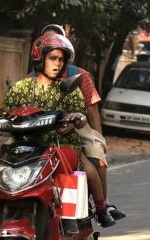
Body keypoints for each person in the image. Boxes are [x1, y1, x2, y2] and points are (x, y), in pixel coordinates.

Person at [0, 33, 115, 230]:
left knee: (91, 171)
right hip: (26, 143)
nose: (57, 63)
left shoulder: (69, 87)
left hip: (60, 144)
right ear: (40, 59)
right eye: (53, 58)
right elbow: (8, 112)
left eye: (61, 59)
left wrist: (75, 119)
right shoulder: (22, 87)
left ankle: (99, 209)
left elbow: (81, 112)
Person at [36, 24, 126, 221]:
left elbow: (92, 111)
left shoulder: (80, 75)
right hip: (40, 128)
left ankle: (103, 205)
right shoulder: (31, 79)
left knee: (95, 154)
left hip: (76, 126)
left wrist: (98, 139)